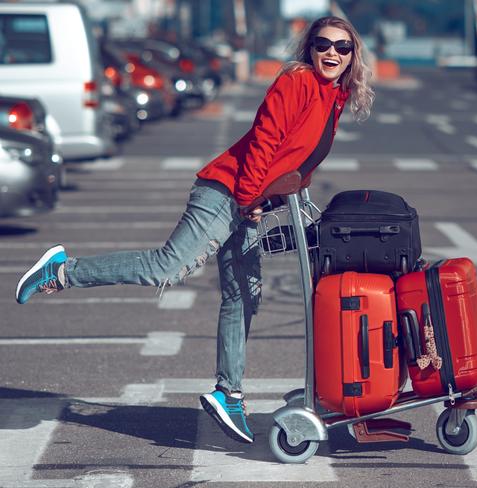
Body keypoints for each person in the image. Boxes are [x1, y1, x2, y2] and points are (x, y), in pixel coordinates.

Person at [14, 16, 374, 444]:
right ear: (309, 48)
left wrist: (274, 199)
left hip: (252, 200)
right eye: (322, 44)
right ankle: (60, 270)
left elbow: (299, 159)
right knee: (166, 267)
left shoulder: (334, 95)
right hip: (226, 192)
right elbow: (264, 140)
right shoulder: (296, 82)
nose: (331, 53)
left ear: (353, 56)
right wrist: (248, 200)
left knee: (244, 296)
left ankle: (229, 394)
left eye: (342, 47)